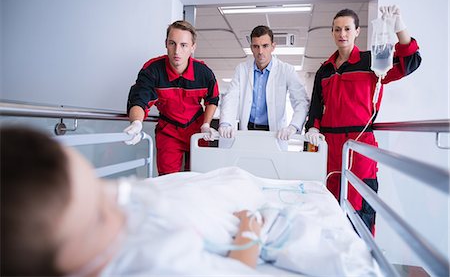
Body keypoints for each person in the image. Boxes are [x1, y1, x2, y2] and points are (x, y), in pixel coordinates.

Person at [0, 126, 263, 276]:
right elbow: (238, 271)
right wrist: (249, 226)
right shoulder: (156, 262)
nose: (116, 205)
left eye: (100, 186)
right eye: (100, 218)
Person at [304, 6, 422, 233]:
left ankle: (363, 256)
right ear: (332, 33)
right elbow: (316, 106)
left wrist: (399, 27)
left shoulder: (373, 61)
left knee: (360, 202)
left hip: (360, 143)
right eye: (337, 29)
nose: (342, 34)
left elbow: (411, 62)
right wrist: (312, 128)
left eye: (347, 29)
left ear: (357, 31)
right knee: (329, 202)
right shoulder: (325, 70)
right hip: (329, 145)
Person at [125, 20, 219, 175]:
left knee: (199, 176)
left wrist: (206, 124)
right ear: (166, 44)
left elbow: (213, 99)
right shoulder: (152, 70)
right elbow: (139, 100)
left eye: (183, 45)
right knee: (167, 180)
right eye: (172, 43)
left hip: (197, 129)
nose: (177, 51)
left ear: (192, 47)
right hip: (169, 131)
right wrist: (136, 123)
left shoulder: (204, 72)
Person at [219, 25, 310, 141]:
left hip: (275, 133)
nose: (260, 51)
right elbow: (231, 97)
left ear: (273, 46)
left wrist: (293, 127)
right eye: (256, 46)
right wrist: (226, 123)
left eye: (265, 46)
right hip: (248, 130)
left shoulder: (286, 70)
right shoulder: (241, 69)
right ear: (251, 47)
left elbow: (301, 102)